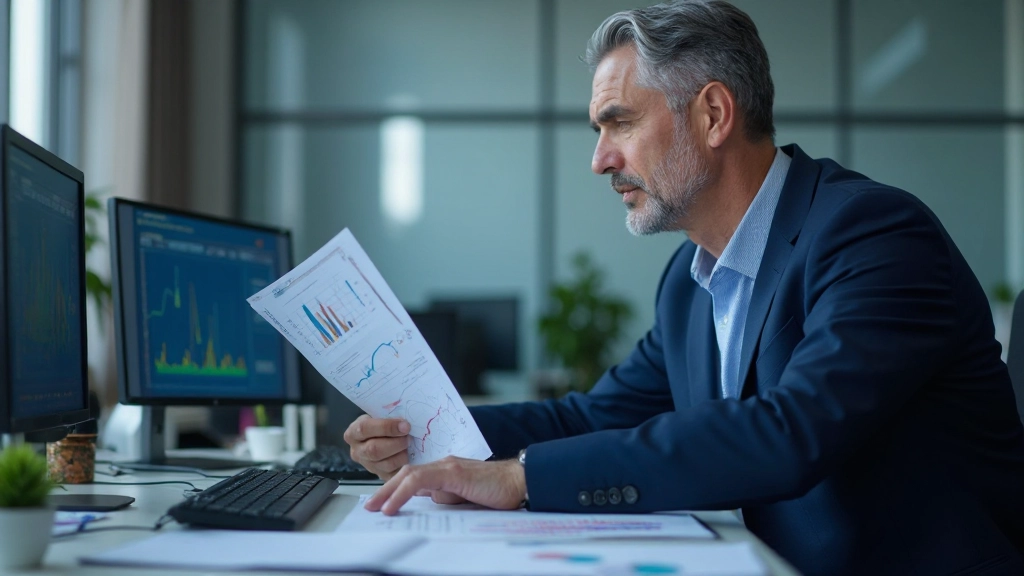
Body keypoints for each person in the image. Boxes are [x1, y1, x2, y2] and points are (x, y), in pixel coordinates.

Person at [346, 1, 1024, 574]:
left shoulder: (873, 234)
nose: (600, 159)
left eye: (620, 122)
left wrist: (522, 478)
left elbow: (788, 433)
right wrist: (430, 437)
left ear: (713, 114)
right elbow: (595, 417)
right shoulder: (688, 280)